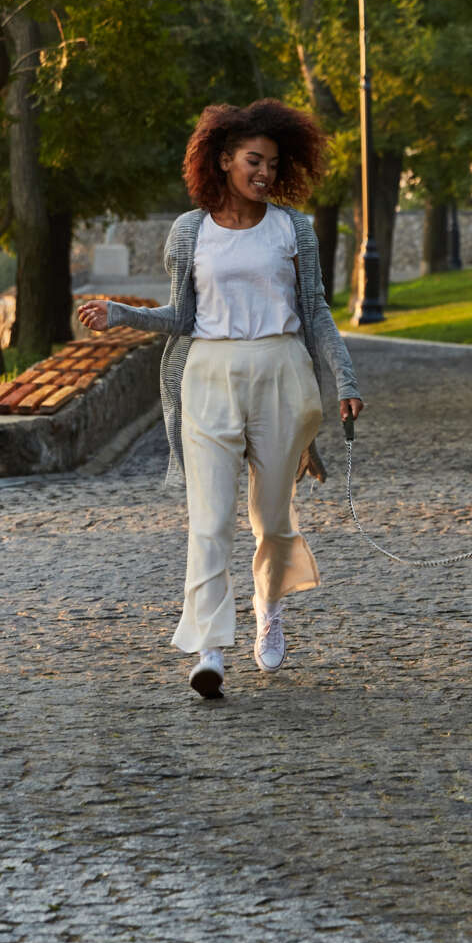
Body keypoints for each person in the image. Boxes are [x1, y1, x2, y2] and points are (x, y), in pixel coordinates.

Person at [77, 100, 364, 700]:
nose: (263, 171)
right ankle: (208, 647)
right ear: (224, 159)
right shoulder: (190, 231)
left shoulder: (294, 229)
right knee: (207, 519)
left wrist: (346, 382)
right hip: (207, 374)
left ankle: (268, 604)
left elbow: (316, 314)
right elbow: (183, 314)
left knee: (271, 516)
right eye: (252, 160)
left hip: (282, 370)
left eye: (272, 163)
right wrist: (120, 313)